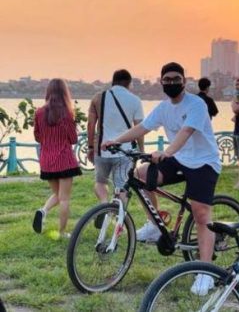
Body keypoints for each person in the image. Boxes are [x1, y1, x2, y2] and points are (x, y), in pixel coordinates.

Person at [102, 62, 221, 295]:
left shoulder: (196, 104)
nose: (171, 83)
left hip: (204, 162)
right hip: (180, 158)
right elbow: (143, 128)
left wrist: (167, 152)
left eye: (176, 79)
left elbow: (186, 132)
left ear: (184, 81)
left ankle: (206, 273)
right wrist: (116, 140)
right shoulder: (164, 107)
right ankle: (155, 226)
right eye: (166, 80)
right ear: (161, 82)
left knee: (201, 213)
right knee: (141, 175)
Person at [33, 78, 82, 238]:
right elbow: (74, 139)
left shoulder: (39, 112)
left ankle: (43, 211)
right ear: (64, 92)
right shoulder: (66, 113)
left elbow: (37, 137)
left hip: (47, 161)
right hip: (64, 160)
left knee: (58, 195)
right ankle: (62, 232)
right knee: (65, 199)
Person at [87, 69, 144, 203]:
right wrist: (141, 150)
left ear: (113, 82)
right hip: (125, 151)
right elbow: (139, 128)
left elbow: (90, 124)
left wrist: (90, 147)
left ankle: (104, 204)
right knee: (121, 187)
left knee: (100, 183)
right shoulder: (135, 100)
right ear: (129, 83)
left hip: (102, 150)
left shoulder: (98, 97)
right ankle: (119, 217)